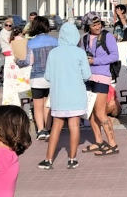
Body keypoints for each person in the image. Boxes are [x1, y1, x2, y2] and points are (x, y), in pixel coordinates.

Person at [38, 23, 92, 170]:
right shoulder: (80, 53)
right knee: (74, 126)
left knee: (56, 127)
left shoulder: (53, 53)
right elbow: (87, 75)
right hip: (75, 95)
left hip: (58, 95)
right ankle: (72, 159)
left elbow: (48, 76)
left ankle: (48, 160)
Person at [79, 12, 120, 156]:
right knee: (90, 112)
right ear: (87, 26)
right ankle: (98, 142)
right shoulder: (84, 39)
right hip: (87, 78)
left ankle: (113, 144)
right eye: (94, 24)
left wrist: (94, 61)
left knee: (100, 113)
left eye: (99, 23)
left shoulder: (107, 36)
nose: (97, 26)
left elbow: (115, 55)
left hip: (102, 77)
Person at [16, 16, 57, 141]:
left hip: (36, 78)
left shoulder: (30, 43)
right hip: (52, 77)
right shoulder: (55, 41)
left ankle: (40, 130)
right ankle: (49, 128)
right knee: (48, 105)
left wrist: (17, 60)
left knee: (38, 106)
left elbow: (27, 61)